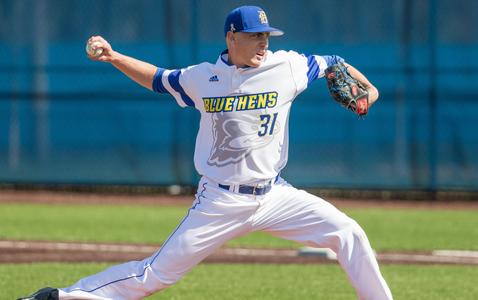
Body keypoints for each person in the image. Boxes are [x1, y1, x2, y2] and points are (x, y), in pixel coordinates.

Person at [19, 5, 392, 300]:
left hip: (275, 195)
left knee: (349, 233)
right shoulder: (203, 77)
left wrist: (369, 91)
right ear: (232, 38)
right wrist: (115, 57)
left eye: (266, 35)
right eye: (254, 36)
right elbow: (157, 78)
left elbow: (334, 64)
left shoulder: (288, 66)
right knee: (155, 275)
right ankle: (61, 297)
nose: (263, 43)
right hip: (220, 200)